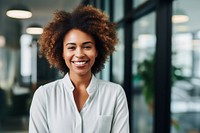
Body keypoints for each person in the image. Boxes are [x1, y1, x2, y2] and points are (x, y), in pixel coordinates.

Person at [29, 5, 129, 133]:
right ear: (62, 53)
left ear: (97, 51)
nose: (80, 54)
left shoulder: (115, 94)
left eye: (87, 47)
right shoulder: (44, 95)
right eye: (71, 47)